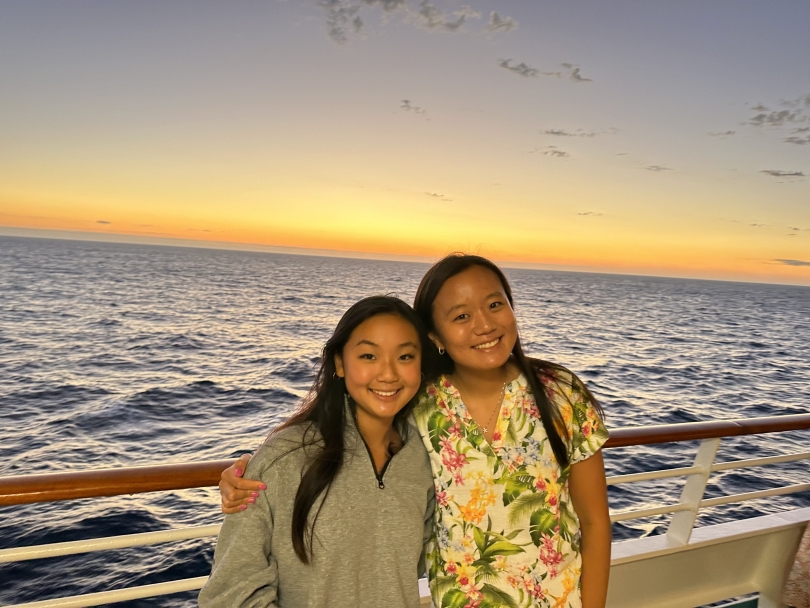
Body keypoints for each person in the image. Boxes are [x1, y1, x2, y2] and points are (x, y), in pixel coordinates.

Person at [220, 254, 611, 608]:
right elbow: (357, 438)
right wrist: (250, 473)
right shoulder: (422, 401)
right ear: (436, 339)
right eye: (461, 316)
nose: (485, 324)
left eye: (495, 304)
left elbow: (595, 521)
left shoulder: (559, 391)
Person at [199, 296, 436, 608]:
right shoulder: (285, 457)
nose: (388, 374)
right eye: (368, 356)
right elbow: (229, 595)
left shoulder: (424, 456)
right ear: (339, 362)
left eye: (405, 357)